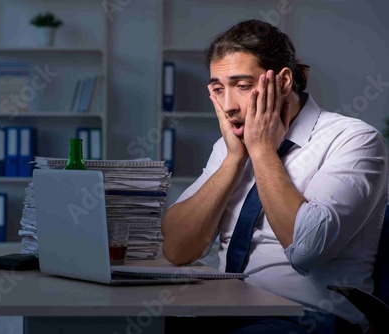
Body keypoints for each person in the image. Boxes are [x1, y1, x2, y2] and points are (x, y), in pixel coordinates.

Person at [161, 19, 388, 334]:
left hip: (307, 320)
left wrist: (262, 151)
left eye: (241, 86)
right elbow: (176, 249)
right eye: (217, 89)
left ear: (282, 82)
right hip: (223, 311)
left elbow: (306, 250)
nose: (228, 106)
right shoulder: (229, 147)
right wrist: (234, 159)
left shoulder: (353, 139)